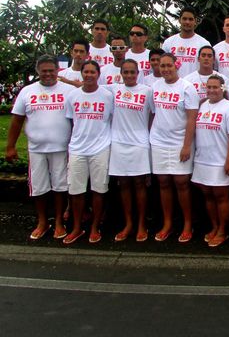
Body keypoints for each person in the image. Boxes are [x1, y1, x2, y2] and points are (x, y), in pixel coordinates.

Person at [6, 55, 75, 240]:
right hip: (36, 149)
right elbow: (17, 120)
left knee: (61, 187)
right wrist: (10, 146)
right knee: (39, 188)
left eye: (51, 70)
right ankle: (43, 221)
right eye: (44, 71)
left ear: (57, 70)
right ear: (38, 72)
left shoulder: (69, 91)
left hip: (61, 148)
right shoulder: (27, 91)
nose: (48, 74)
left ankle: (59, 221)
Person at [150, 53, 199, 243]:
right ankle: (168, 223)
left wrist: (187, 146)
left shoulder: (187, 88)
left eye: (169, 65)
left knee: (182, 182)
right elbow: (153, 114)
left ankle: (187, 223)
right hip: (159, 142)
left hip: (180, 142)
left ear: (176, 66)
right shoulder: (155, 87)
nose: (166, 69)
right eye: (162, 66)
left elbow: (192, 118)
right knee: (163, 182)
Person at [63, 60, 114, 244]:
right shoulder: (73, 96)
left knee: (99, 190)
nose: (89, 75)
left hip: (100, 148)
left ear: (98, 74)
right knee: (76, 191)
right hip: (77, 148)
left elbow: (113, 119)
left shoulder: (108, 96)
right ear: (82, 74)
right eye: (86, 72)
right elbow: (70, 122)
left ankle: (95, 226)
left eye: (93, 72)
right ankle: (77, 228)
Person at [108, 59, 155, 242]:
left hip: (140, 143)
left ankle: (142, 224)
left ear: (138, 73)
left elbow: (153, 114)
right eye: (125, 72)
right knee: (124, 185)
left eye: (132, 72)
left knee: (140, 184)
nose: (128, 75)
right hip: (119, 143)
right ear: (121, 73)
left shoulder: (147, 91)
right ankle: (128, 223)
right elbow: (87, 84)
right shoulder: (114, 90)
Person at [193, 75, 229, 248]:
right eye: (209, 87)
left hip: (221, 160)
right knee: (207, 195)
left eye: (216, 87)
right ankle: (214, 226)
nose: (212, 90)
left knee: (221, 196)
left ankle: (223, 230)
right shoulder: (202, 105)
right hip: (203, 159)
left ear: (223, 88)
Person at [161, 7, 211, 77]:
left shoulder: (204, 44)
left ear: (195, 21)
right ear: (179, 20)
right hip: (173, 85)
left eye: (190, 19)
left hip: (194, 85)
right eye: (184, 19)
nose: (187, 22)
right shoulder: (168, 43)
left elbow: (208, 68)